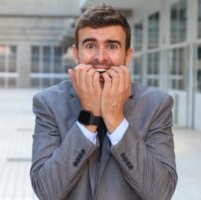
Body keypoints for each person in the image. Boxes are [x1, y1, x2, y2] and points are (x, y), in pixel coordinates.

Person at [30, 4, 177, 200]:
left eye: (112, 46)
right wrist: (88, 116)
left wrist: (116, 120)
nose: (100, 57)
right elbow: (46, 191)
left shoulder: (157, 105)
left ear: (127, 55)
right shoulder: (48, 103)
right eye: (90, 45)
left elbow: (161, 192)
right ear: (76, 54)